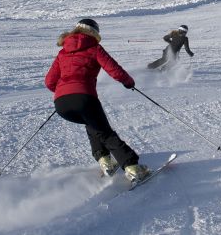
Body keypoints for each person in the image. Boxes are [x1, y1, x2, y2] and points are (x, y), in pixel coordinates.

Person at [45, 18, 149, 182]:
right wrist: (129, 82)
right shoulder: (94, 48)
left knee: (93, 124)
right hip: (84, 98)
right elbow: (114, 69)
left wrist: (64, 92)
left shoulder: (63, 52)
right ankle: (133, 168)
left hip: (61, 104)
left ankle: (105, 161)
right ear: (94, 32)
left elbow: (49, 82)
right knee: (106, 133)